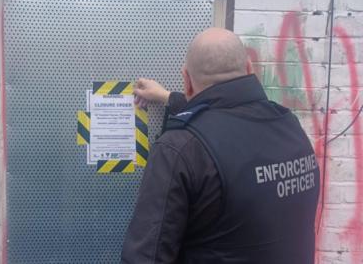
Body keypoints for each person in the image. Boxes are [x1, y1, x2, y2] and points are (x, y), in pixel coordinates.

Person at [120, 28, 320, 264]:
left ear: (186, 79)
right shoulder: (289, 126)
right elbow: (225, 120)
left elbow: (146, 257)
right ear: (249, 69)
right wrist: (169, 98)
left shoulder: (178, 148)